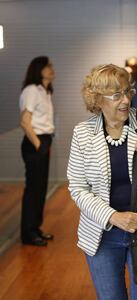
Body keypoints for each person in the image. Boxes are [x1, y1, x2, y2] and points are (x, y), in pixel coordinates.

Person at [67, 64, 137, 300]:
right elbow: (77, 188)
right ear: (97, 99)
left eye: (128, 91)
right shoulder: (83, 133)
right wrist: (113, 216)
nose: (126, 100)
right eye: (116, 95)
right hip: (102, 234)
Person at [19, 56, 55, 246]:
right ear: (38, 69)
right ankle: (28, 234)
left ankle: (35, 228)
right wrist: (39, 145)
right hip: (35, 143)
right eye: (48, 66)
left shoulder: (46, 91)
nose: (52, 69)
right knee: (33, 189)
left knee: (40, 189)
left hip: (44, 141)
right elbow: (25, 121)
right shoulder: (31, 90)